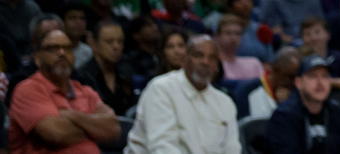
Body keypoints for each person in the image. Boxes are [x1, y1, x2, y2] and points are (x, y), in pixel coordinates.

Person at [7, 25, 122, 154]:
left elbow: (114, 130)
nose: (62, 53)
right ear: (37, 58)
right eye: (52, 48)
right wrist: (95, 129)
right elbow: (56, 133)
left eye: (67, 48)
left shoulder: (84, 90)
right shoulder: (28, 89)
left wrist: (72, 115)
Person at [126, 34, 241, 154]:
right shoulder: (161, 88)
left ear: (217, 66)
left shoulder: (225, 102)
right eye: (198, 55)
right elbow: (162, 148)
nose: (205, 62)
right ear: (185, 59)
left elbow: (232, 149)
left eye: (212, 58)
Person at [266, 53, 340, 154]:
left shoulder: (336, 112)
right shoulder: (284, 116)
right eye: (313, 76)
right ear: (299, 83)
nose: (320, 82)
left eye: (325, 76)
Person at [74, 17, 137, 118]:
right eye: (109, 41)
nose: (116, 47)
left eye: (120, 41)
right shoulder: (81, 77)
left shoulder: (126, 73)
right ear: (94, 44)